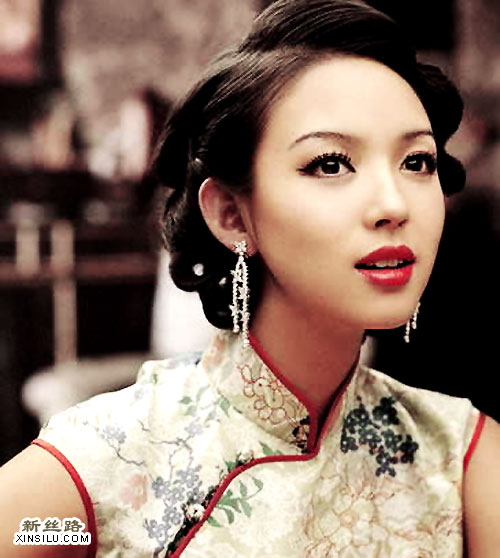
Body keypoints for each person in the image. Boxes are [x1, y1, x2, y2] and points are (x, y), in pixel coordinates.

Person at [1, 0, 499, 556]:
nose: (394, 204)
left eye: (417, 162)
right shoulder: (105, 469)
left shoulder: (460, 457)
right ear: (232, 215)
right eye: (330, 164)